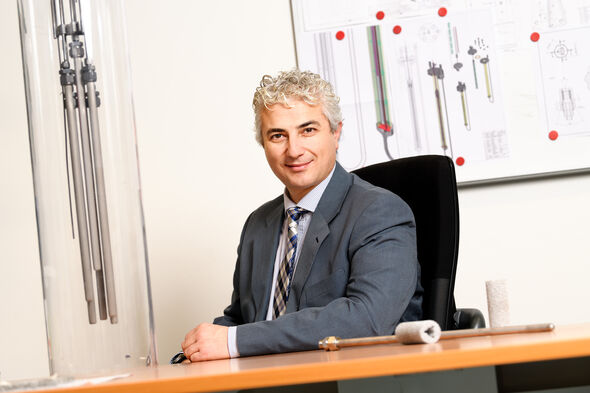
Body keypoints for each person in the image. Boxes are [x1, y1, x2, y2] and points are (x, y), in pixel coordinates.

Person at [179, 69, 422, 362]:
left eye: (308, 130)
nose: (294, 150)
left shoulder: (379, 212)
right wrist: (194, 350)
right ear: (263, 143)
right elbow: (241, 318)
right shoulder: (258, 224)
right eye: (277, 135)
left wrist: (234, 341)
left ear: (336, 133)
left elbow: (367, 320)